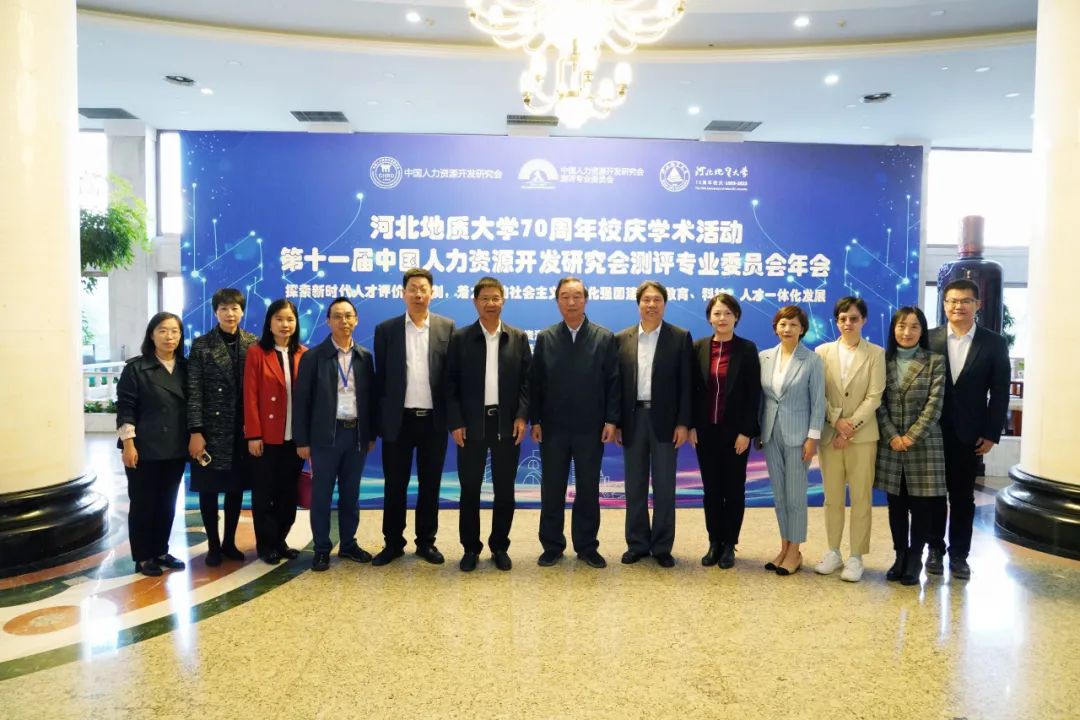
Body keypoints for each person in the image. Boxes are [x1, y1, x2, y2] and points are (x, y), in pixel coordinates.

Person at [531, 277, 620, 569]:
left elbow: (613, 382)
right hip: (553, 427)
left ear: (586, 300)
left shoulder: (603, 337)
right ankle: (552, 545)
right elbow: (536, 383)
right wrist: (535, 420)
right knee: (552, 488)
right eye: (565, 297)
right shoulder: (546, 337)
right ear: (557, 300)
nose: (571, 302)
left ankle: (586, 545)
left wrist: (611, 420)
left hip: (590, 428)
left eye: (577, 296)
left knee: (588, 488)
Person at [926, 279, 1011, 579]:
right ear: (944, 304)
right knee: (934, 495)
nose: (958, 306)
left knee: (963, 498)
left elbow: (999, 393)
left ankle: (959, 555)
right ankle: (934, 549)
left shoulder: (994, 343)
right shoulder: (929, 339)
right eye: (952, 301)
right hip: (931, 433)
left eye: (965, 301)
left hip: (970, 435)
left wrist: (991, 433)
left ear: (978, 305)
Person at [446, 277, 531, 572]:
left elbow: (527, 383)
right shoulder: (461, 338)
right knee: (470, 488)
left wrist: (522, 416)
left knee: (504, 490)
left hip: (506, 424)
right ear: (475, 302)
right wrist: (456, 421)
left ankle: (499, 546)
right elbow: (450, 384)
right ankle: (470, 548)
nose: (490, 303)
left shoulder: (517, 337)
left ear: (503, 301)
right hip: (471, 425)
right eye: (485, 298)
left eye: (495, 298)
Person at [372, 268, 455, 566]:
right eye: (413, 289)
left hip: (434, 421)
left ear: (432, 293)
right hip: (399, 421)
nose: (418, 294)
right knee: (395, 485)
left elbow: (452, 378)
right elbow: (381, 380)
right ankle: (393, 543)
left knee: (430, 485)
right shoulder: (386, 330)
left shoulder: (447, 327)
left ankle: (426, 542)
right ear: (403, 293)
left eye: (423, 289)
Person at [293, 297, 377, 571]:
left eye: (348, 316)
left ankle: (348, 544)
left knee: (351, 494)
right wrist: (302, 440)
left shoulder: (364, 357)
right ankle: (321, 548)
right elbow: (302, 402)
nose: (344, 321)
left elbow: (371, 400)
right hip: (324, 438)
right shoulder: (313, 357)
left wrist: (370, 435)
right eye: (337, 316)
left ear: (356, 320)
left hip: (356, 436)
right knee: (322, 495)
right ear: (328, 321)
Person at [614, 281, 692, 568]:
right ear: (638, 304)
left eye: (657, 300)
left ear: (665, 304)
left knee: (664, 486)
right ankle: (636, 543)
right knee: (634, 486)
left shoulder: (679, 337)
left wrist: (683, 423)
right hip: (633, 420)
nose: (651, 305)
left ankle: (661, 546)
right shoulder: (621, 338)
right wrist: (617, 422)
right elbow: (616, 386)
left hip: (666, 422)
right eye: (646, 300)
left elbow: (687, 385)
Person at [813, 296, 886, 583]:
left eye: (854, 318)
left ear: (863, 320)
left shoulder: (876, 354)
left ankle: (856, 556)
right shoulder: (822, 352)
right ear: (836, 321)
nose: (848, 323)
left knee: (861, 498)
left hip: (862, 437)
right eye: (842, 319)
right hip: (830, 436)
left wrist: (850, 426)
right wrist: (836, 422)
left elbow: (874, 396)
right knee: (832, 498)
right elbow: (818, 393)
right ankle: (833, 551)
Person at [875, 306, 946, 586]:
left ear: (922, 330)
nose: (907, 332)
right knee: (896, 505)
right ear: (893, 329)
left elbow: (934, 405)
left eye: (914, 326)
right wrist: (893, 435)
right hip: (891, 445)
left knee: (921, 506)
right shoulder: (882, 361)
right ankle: (900, 555)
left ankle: (915, 557)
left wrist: (911, 437)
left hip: (923, 445)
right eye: (901, 326)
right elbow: (878, 402)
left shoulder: (935, 361)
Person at [689, 293, 761, 569]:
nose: (722, 318)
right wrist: (692, 425)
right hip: (706, 431)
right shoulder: (698, 347)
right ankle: (714, 542)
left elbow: (753, 394)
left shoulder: (746, 349)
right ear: (709, 317)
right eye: (717, 313)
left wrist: (746, 432)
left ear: (736, 317)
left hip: (735, 435)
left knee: (733, 489)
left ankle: (730, 543)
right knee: (711, 489)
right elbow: (691, 390)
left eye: (728, 313)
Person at [187, 288, 258, 567]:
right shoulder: (202, 345)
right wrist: (196, 431)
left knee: (235, 489)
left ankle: (229, 542)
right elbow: (194, 391)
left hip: (241, 430)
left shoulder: (253, 343)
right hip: (210, 431)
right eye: (224, 309)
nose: (230, 314)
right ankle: (213, 545)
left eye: (235, 309)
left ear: (242, 311)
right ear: (215, 312)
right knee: (209, 490)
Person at [116, 312, 189, 577]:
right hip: (144, 448)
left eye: (175, 331)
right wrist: (129, 444)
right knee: (143, 504)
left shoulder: (186, 368)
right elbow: (125, 408)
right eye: (163, 331)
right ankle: (143, 556)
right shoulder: (136, 369)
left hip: (175, 447)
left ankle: (160, 550)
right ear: (151, 335)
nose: (169, 337)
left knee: (167, 503)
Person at [759, 305, 825, 577]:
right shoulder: (764, 357)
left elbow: (818, 403)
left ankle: (795, 552)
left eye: (793, 325)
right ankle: (784, 547)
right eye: (783, 324)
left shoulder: (812, 360)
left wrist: (813, 438)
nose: (787, 329)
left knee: (795, 495)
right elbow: (762, 399)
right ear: (776, 327)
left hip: (799, 437)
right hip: (770, 433)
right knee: (779, 495)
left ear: (802, 329)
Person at [243, 299, 306, 565]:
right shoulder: (257, 353)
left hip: (295, 438)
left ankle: (281, 541)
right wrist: (254, 435)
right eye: (279, 319)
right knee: (264, 494)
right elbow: (250, 396)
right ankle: (266, 544)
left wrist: (307, 437)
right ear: (269, 322)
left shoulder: (304, 353)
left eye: (290, 319)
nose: (285, 324)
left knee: (288, 494)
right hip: (266, 438)